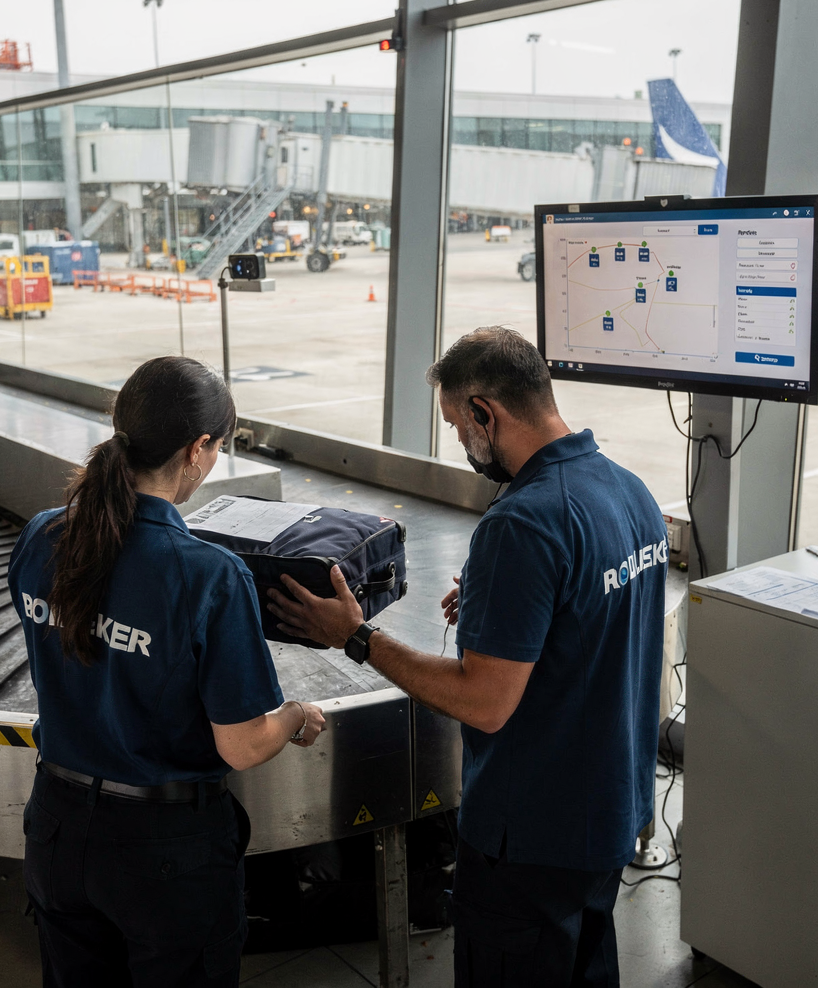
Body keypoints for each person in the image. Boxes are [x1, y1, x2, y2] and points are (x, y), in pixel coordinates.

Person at [267, 326, 668, 987]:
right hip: (608, 813)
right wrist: (503, 606)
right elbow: (591, 623)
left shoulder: (523, 522)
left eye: (458, 425)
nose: (462, 441)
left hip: (530, 839)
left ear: (487, 411)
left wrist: (355, 634)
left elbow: (483, 703)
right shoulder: (628, 491)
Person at [8, 356, 326, 988]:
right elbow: (240, 744)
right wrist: (293, 716)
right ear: (198, 449)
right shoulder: (207, 574)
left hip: (57, 829)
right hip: (164, 854)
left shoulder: (43, 535)